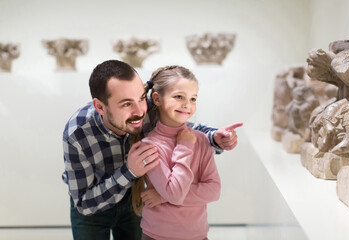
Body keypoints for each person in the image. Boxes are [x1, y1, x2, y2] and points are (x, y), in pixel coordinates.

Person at [62, 60, 242, 240]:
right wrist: (130, 171)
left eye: (141, 98)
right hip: (94, 205)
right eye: (126, 104)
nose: (140, 110)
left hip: (136, 198)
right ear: (100, 107)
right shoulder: (77, 134)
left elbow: (185, 128)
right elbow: (84, 203)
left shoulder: (150, 107)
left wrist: (215, 138)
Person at [139, 65, 222, 240]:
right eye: (179, 97)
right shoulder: (148, 146)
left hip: (198, 235)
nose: (187, 105)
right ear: (157, 99)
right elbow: (175, 194)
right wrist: (184, 147)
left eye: (193, 99)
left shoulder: (200, 140)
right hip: (157, 235)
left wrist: (162, 197)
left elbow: (214, 190)